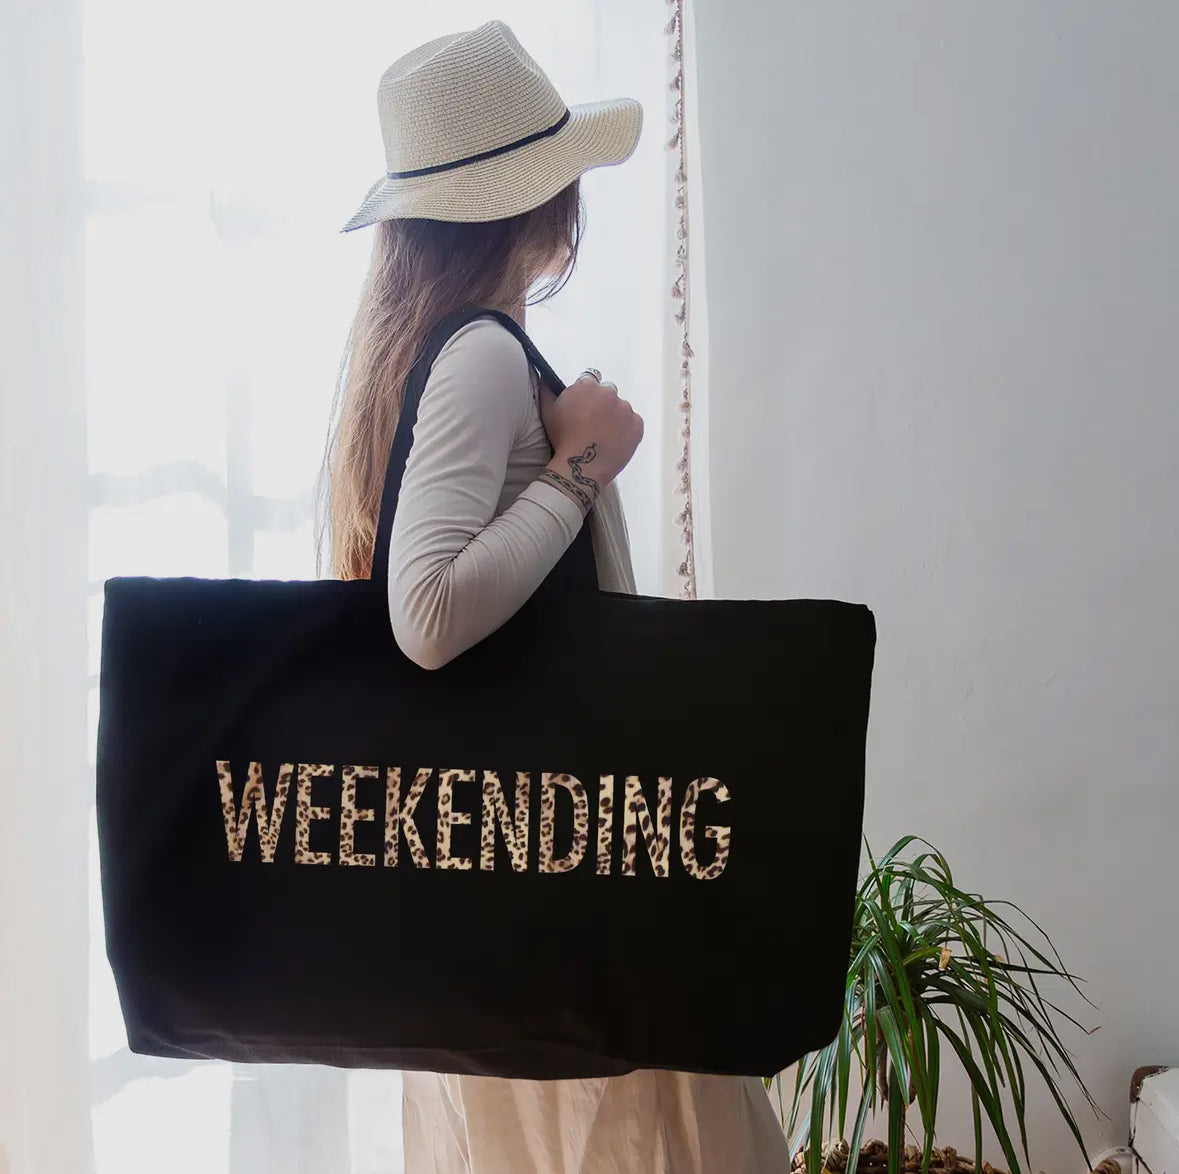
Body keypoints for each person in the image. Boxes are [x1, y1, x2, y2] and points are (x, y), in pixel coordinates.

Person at [319, 18, 792, 1174]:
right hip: (564, 864)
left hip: (505, 868)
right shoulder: (482, 352)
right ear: (537, 200)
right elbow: (425, 616)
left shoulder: (421, 347)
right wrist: (580, 472)